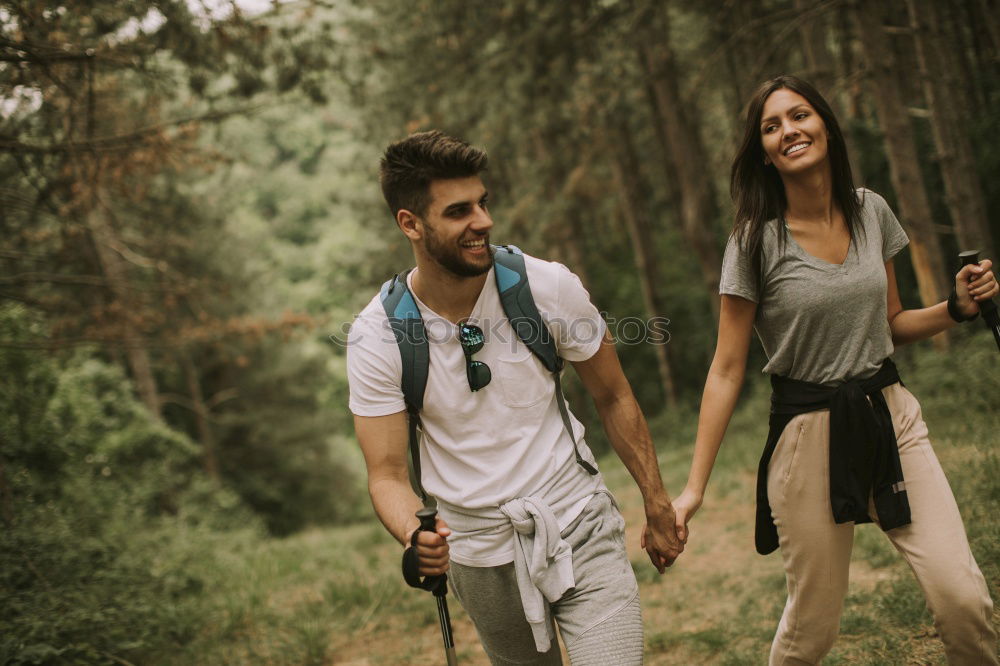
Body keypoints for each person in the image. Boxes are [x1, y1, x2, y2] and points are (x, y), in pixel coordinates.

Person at [670, 75, 999, 664]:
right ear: (763, 152)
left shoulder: (870, 210)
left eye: (799, 116)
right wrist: (694, 489)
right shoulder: (753, 242)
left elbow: (892, 322)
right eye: (772, 127)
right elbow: (725, 369)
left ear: (824, 123)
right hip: (806, 438)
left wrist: (957, 308)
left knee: (963, 599)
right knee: (812, 631)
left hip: (890, 416)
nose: (789, 131)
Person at [347, 130, 684, 665]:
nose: (483, 221)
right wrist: (416, 535)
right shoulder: (378, 336)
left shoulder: (545, 286)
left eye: (483, 203)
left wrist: (657, 500)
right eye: (459, 211)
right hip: (478, 554)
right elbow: (386, 473)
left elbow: (613, 393)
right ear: (410, 223)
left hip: (576, 519)